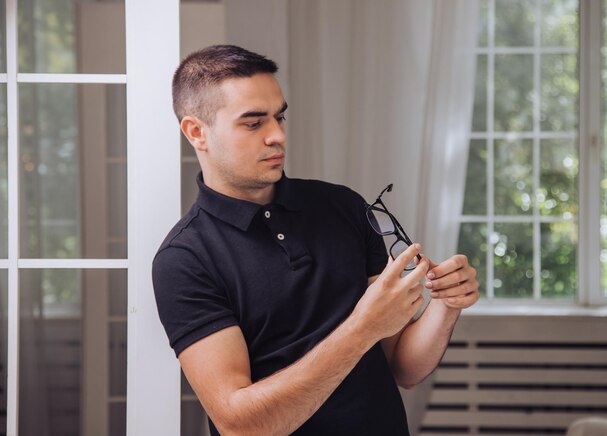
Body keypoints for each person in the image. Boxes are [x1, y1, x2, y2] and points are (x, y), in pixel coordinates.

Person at [152, 44, 479, 435]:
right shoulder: (184, 259)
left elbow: (404, 369)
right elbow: (241, 426)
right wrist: (361, 329)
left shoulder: (343, 207)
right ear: (196, 132)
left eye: (280, 117)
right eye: (253, 123)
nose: (277, 136)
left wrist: (446, 306)